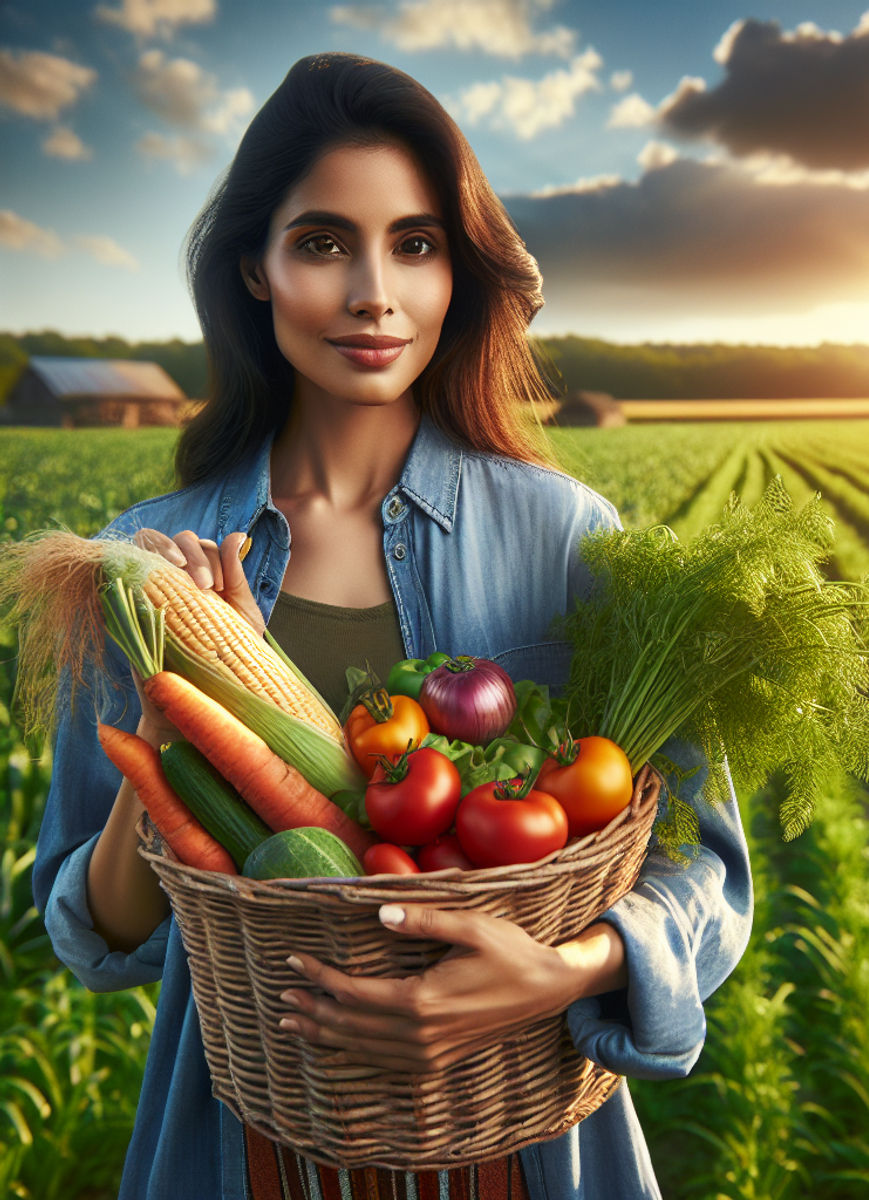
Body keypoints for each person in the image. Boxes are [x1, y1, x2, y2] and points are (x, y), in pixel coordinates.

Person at [32, 53, 752, 1200]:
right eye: (323, 243)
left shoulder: (567, 536)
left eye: (415, 245)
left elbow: (704, 873)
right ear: (255, 270)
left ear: (457, 272)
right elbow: (93, 928)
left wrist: (556, 971)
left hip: (517, 1140)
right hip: (243, 1142)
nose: (375, 292)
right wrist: (176, 727)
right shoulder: (149, 562)